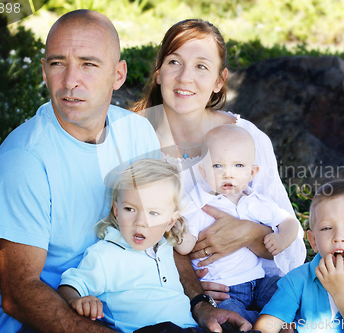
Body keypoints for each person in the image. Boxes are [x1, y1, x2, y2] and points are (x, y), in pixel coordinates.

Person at [0, 10, 248, 333]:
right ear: (43, 70)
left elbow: (162, 230)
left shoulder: (136, 133)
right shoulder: (22, 162)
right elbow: (19, 294)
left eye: (88, 64)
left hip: (147, 316)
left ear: (118, 75)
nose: (70, 81)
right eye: (57, 64)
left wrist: (199, 305)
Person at [131, 19, 306, 303]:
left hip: (252, 287)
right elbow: (120, 232)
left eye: (201, 66)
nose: (185, 77)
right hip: (168, 293)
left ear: (219, 81)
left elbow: (293, 249)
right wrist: (192, 289)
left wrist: (251, 234)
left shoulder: (246, 138)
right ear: (159, 72)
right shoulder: (131, 138)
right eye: (175, 62)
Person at [176, 125, 300, 323]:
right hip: (225, 290)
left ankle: (282, 322)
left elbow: (289, 222)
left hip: (260, 282)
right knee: (232, 319)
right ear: (203, 171)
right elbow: (185, 245)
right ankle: (261, 323)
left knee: (288, 291)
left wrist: (282, 237)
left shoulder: (256, 201)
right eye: (218, 166)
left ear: (252, 173)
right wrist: (177, 234)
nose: (228, 174)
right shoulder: (198, 205)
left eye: (238, 166)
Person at [58, 159, 197, 332]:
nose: (140, 222)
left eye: (153, 213)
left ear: (170, 221)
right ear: (116, 212)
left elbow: (186, 245)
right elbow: (70, 286)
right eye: (130, 209)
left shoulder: (165, 245)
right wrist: (77, 300)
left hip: (190, 327)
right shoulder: (106, 254)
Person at [253, 180, 344, 333]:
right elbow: (265, 326)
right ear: (313, 241)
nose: (338, 236)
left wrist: (341, 293)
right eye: (327, 228)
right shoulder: (297, 280)